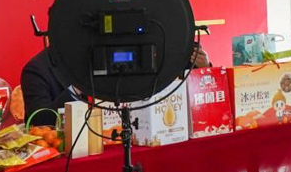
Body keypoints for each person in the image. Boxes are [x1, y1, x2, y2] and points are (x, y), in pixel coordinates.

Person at [20, 42, 212, 126]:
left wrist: (203, 68)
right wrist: (78, 87)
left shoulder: (108, 51)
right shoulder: (37, 69)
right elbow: (38, 120)